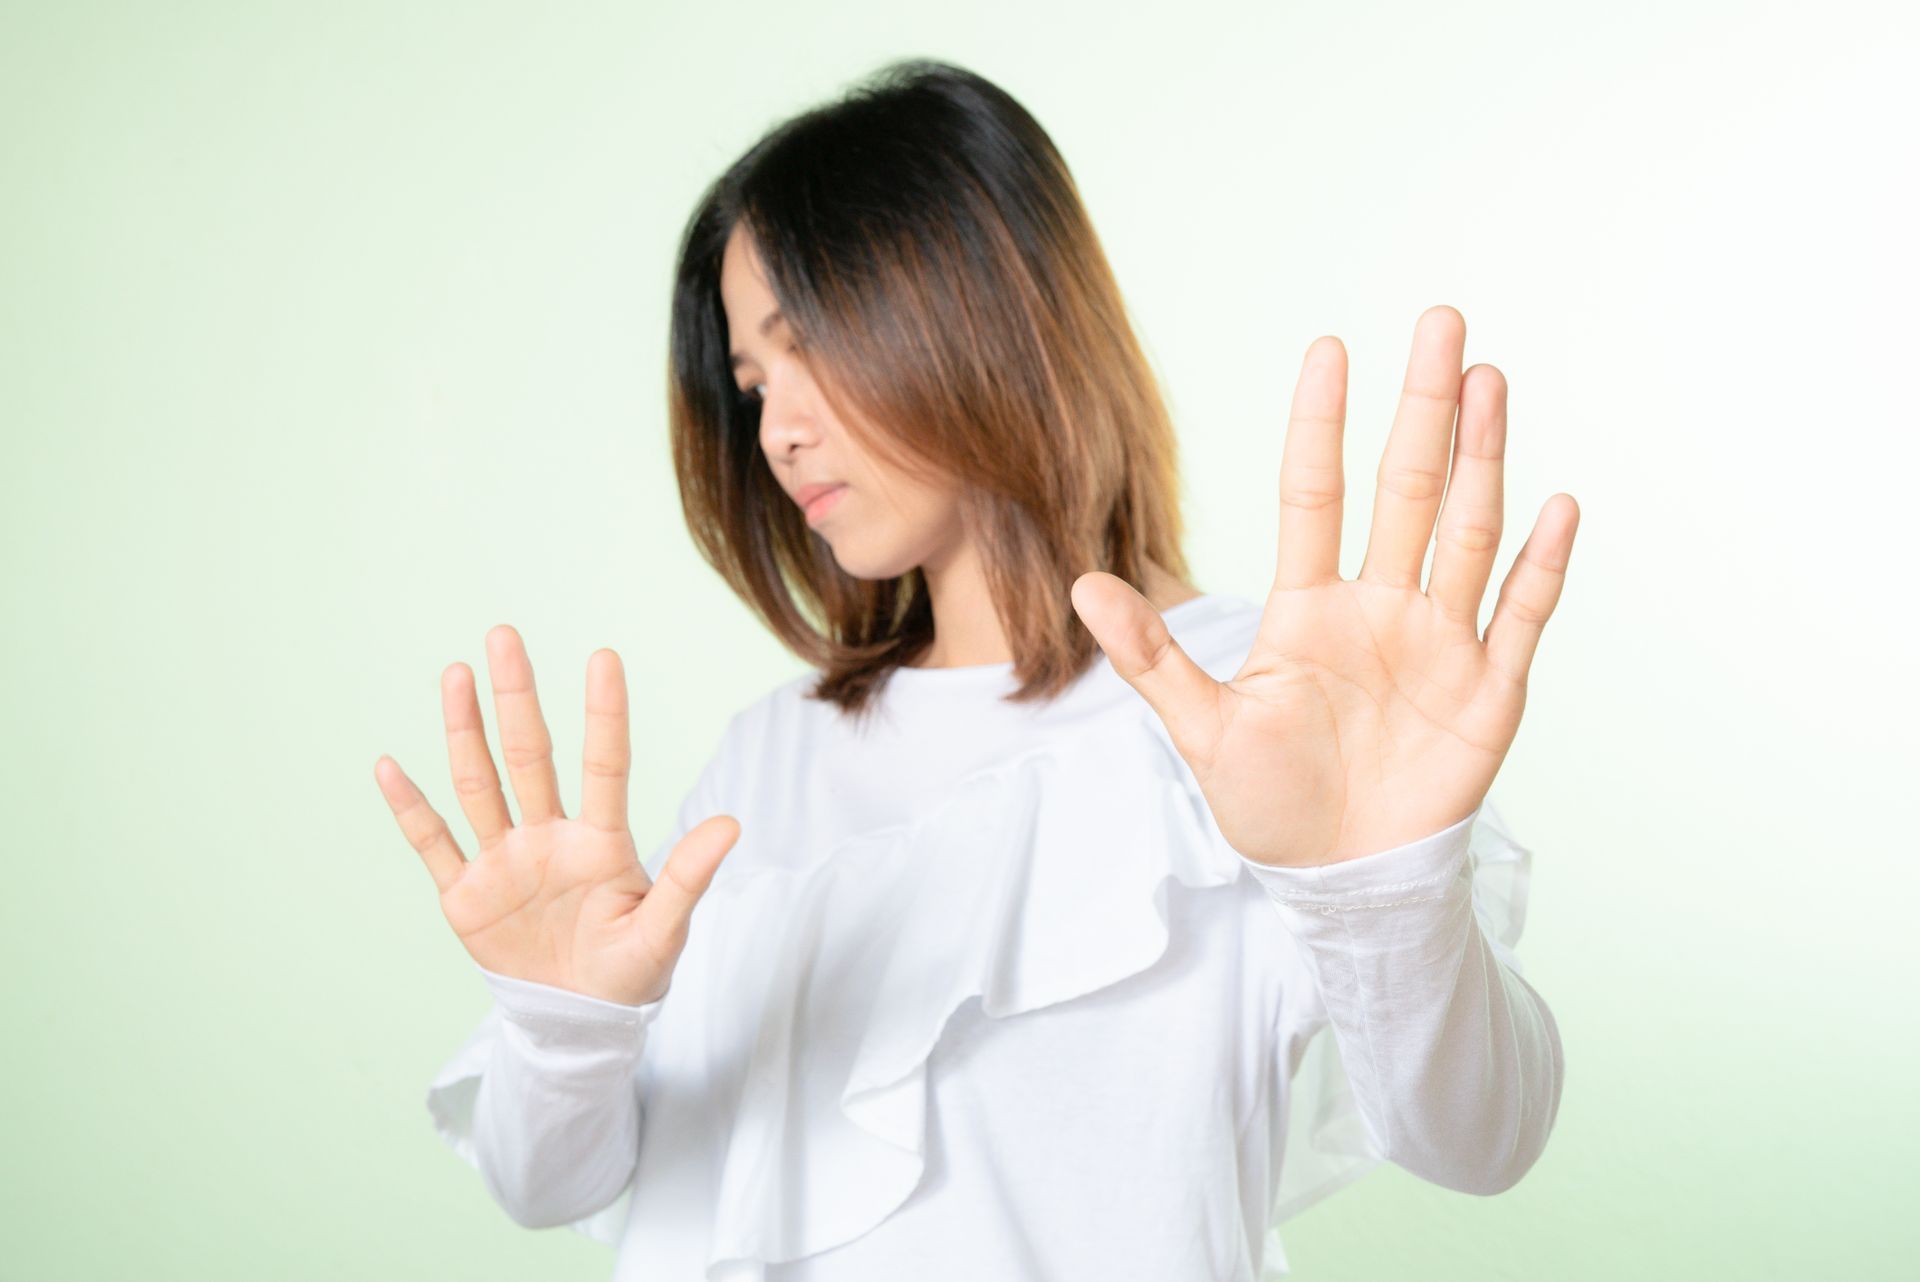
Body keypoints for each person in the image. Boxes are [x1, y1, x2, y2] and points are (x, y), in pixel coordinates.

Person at [375, 58, 1576, 1282]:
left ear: (979, 307)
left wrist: (1379, 892)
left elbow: (1478, 1137)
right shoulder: (769, 757)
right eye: (751, 385)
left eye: (811, 348)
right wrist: (563, 1025)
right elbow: (551, 1182)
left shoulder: (1258, 704)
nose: (777, 431)